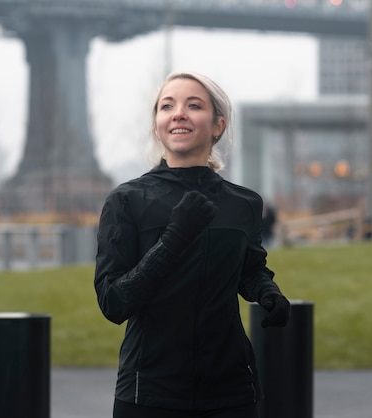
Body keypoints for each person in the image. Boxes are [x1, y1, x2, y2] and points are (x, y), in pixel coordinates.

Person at [94, 71, 291, 418]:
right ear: (158, 125)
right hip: (149, 392)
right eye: (167, 106)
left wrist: (267, 291)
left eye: (193, 105)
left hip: (231, 392)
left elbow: (249, 269)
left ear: (218, 125)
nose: (178, 113)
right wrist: (175, 237)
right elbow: (114, 302)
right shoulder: (127, 200)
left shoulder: (243, 203)